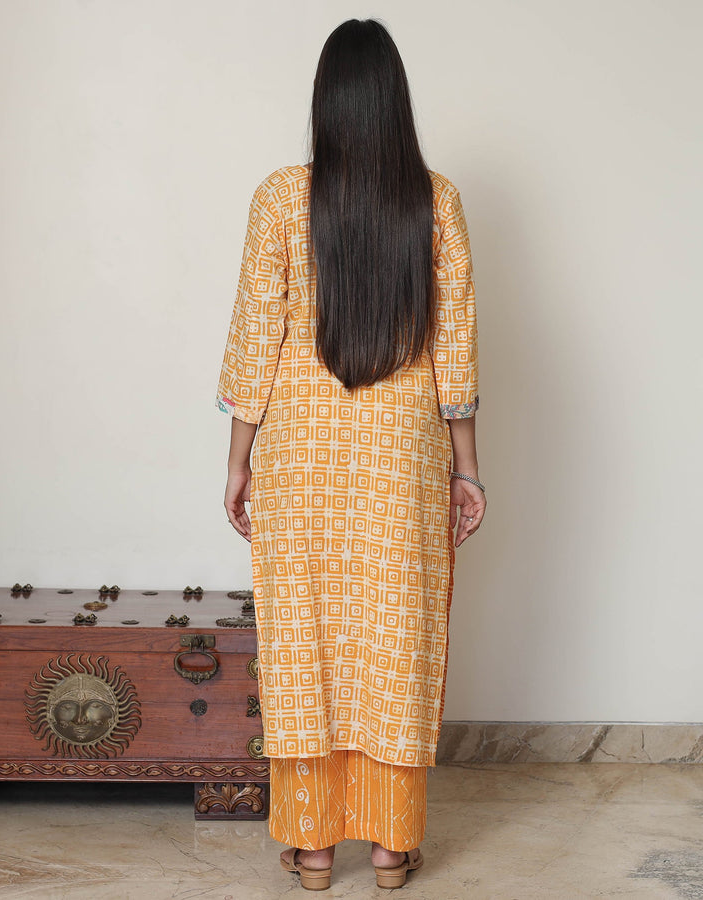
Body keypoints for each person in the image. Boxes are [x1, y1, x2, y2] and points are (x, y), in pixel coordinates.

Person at [217, 18, 484, 892]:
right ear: (396, 102)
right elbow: (455, 353)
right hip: (403, 456)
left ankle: (314, 849)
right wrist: (467, 468)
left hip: (300, 453)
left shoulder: (280, 198)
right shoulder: (435, 201)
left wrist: (238, 461)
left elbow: (255, 342)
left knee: (305, 639)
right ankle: (391, 848)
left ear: (325, 104)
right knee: (394, 635)